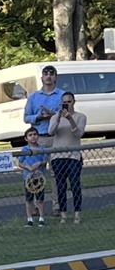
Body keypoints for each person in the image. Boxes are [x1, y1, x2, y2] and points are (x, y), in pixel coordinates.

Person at [24, 64, 63, 213]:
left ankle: (57, 205)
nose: (48, 76)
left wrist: (52, 114)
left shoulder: (61, 95)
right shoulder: (33, 97)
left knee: (56, 173)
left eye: (51, 73)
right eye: (45, 73)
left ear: (55, 77)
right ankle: (35, 206)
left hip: (56, 138)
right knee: (36, 172)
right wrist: (39, 116)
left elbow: (65, 113)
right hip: (38, 139)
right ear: (41, 77)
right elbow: (26, 118)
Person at [48, 92, 87, 224]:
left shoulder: (80, 117)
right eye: (64, 102)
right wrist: (59, 118)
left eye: (69, 102)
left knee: (75, 184)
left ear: (74, 102)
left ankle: (77, 214)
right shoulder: (55, 117)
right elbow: (50, 132)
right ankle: (63, 214)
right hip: (58, 156)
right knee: (61, 186)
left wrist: (70, 119)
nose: (67, 104)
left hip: (73, 156)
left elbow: (78, 133)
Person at [15, 126, 48, 227]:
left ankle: (41, 218)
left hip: (39, 179)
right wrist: (28, 167)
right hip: (28, 178)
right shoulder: (25, 149)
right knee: (29, 199)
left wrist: (39, 163)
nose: (33, 137)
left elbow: (45, 161)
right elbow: (19, 163)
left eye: (35, 134)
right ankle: (29, 219)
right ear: (26, 138)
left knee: (40, 199)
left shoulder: (42, 149)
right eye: (30, 135)